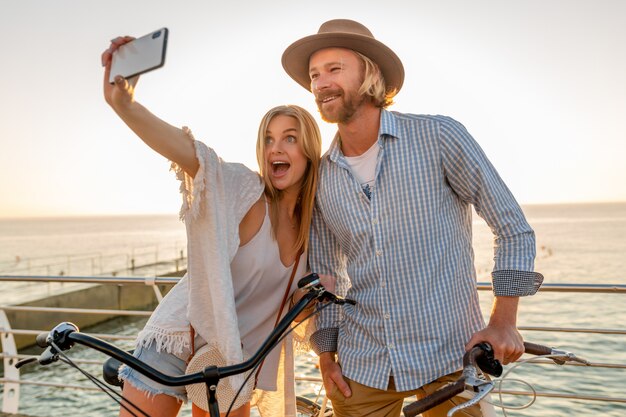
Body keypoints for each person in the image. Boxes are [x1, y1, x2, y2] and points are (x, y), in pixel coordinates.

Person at [281, 19, 544, 417]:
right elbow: (325, 272)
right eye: (315, 75)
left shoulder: (439, 137)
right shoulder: (322, 176)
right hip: (361, 366)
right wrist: (326, 353)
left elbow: (512, 229)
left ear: (370, 74)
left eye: (335, 70)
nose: (320, 84)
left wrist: (503, 322)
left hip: (449, 360)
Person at [101, 37, 324, 417]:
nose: (276, 149)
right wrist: (124, 103)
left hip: (228, 364)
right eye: (269, 139)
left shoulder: (312, 230)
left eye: (290, 139)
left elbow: (286, 314)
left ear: (309, 151)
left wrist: (320, 295)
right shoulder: (243, 188)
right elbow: (189, 153)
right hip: (176, 343)